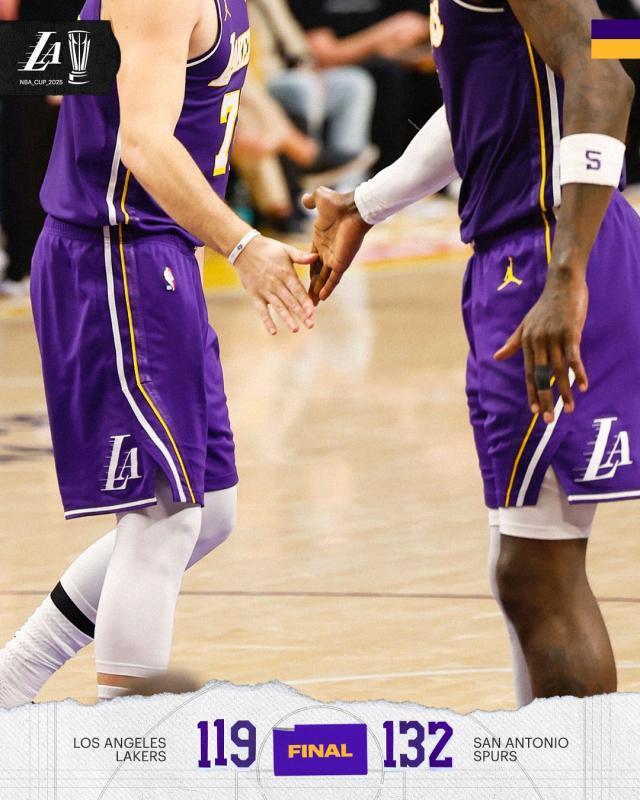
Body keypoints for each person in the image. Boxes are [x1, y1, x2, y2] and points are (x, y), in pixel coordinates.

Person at [304, 0, 637, 705]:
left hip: (545, 255)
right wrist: (366, 204)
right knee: (525, 557)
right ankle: (552, 756)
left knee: (535, 574)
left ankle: (580, 761)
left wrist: (567, 273)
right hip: (538, 251)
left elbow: (603, 72)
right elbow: (485, 98)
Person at [0, 0, 318, 708]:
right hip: (115, 258)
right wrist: (243, 244)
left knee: (211, 510)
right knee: (163, 515)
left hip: (160, 255)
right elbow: (144, 142)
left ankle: (10, 682)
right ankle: (125, 745)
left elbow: (74, 65)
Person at [287, 0, 439, 170]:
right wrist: (381, 37)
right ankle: (379, 173)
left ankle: (441, 172)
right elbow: (322, 56)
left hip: (403, 63)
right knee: (382, 77)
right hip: (336, 70)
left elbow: (423, 27)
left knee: (438, 77)